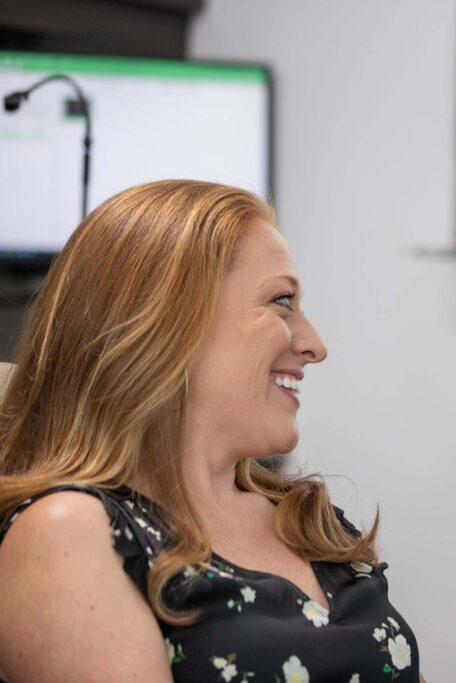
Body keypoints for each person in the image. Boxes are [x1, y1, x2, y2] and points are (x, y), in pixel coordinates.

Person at [0, 180, 422, 682]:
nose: (315, 345)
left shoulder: (310, 521)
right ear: (164, 318)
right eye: (282, 301)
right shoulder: (71, 531)